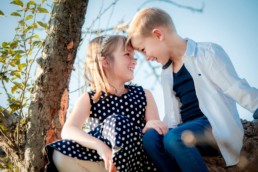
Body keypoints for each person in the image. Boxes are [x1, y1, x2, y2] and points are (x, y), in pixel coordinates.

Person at [126, 7, 258, 172]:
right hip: (185, 128)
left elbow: (235, 86)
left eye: (144, 50)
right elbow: (172, 114)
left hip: (214, 128)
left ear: (158, 35)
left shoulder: (207, 53)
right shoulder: (166, 73)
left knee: (175, 138)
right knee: (151, 139)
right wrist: (156, 126)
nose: (147, 58)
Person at [45, 35, 168, 172]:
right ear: (105, 62)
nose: (134, 61)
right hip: (104, 163)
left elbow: (154, 138)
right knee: (59, 153)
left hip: (138, 163)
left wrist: (150, 125)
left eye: (134, 56)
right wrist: (100, 147)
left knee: (118, 122)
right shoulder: (90, 98)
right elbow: (69, 130)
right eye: (127, 54)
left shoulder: (144, 95)